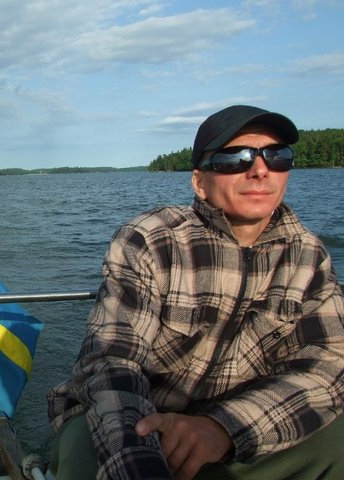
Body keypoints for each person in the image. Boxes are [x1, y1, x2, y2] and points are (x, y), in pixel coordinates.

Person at [47, 105, 344, 480]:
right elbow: (112, 361)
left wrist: (222, 428)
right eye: (234, 158)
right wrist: (141, 458)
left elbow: (328, 364)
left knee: (337, 439)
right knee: (87, 455)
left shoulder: (307, 256)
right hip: (138, 416)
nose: (260, 169)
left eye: (277, 155)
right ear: (200, 183)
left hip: (240, 422)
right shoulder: (153, 240)